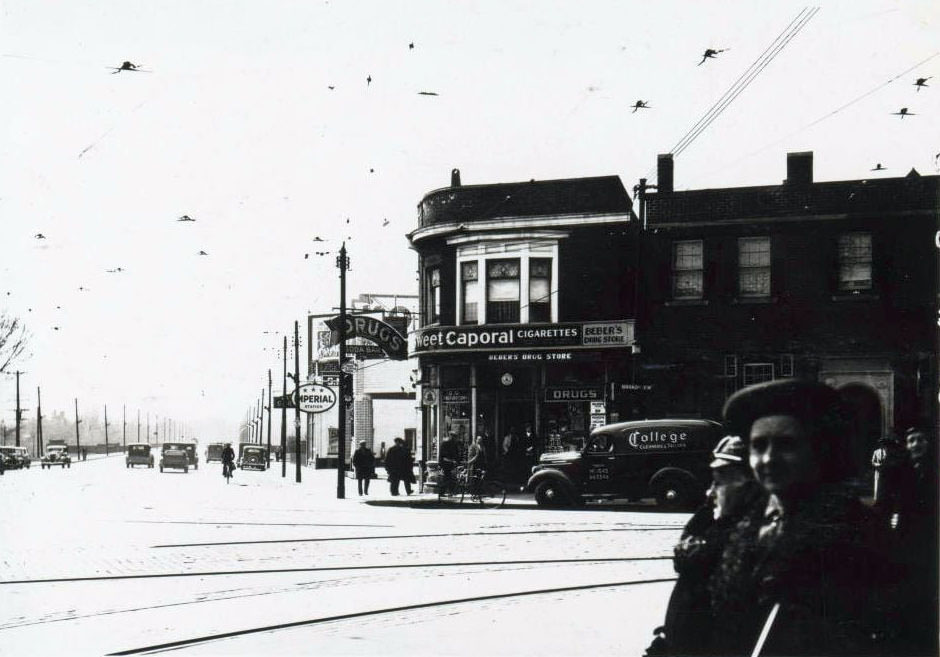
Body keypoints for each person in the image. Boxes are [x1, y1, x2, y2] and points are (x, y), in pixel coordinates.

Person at [709, 379, 894, 656]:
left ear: (817, 450)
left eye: (786, 445)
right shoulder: (736, 524)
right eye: (758, 446)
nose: (769, 459)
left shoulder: (858, 531)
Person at [645, 435, 767, 656]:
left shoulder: (746, 541)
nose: (710, 492)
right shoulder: (718, 529)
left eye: (719, 482)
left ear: (748, 485)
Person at [892, 426, 939, 656]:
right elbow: (894, 502)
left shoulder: (935, 469)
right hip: (908, 536)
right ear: (906, 445)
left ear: (928, 443)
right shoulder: (902, 471)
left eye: (920, 439)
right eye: (911, 440)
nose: (916, 444)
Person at [870, 432, 907, 530]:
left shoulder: (894, 455)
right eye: (884, 444)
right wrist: (878, 466)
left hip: (891, 483)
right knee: (879, 488)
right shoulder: (877, 452)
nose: (886, 447)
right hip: (880, 474)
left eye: (887, 445)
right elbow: (873, 461)